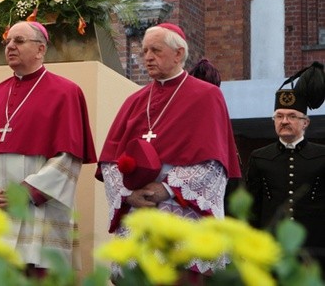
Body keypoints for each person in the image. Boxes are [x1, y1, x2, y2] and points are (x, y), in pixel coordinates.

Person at [97, 23, 241, 274]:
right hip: (140, 214)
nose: (148, 57)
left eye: (156, 50)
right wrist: (127, 194)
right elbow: (110, 161)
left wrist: (167, 188)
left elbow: (214, 164)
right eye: (144, 51)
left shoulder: (206, 96)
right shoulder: (134, 100)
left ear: (178, 53)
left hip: (181, 213)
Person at [0, 21, 97, 274]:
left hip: (39, 209)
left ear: (40, 49)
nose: (10, 46)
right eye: (8, 42)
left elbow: (67, 158)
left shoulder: (66, 92)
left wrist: (25, 193)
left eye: (19, 41)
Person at [246, 61, 325, 268]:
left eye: (292, 116)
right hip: (271, 251)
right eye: (279, 116)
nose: (284, 121)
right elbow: (252, 208)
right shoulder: (259, 157)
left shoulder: (322, 156)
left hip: (314, 251)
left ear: (305, 122)